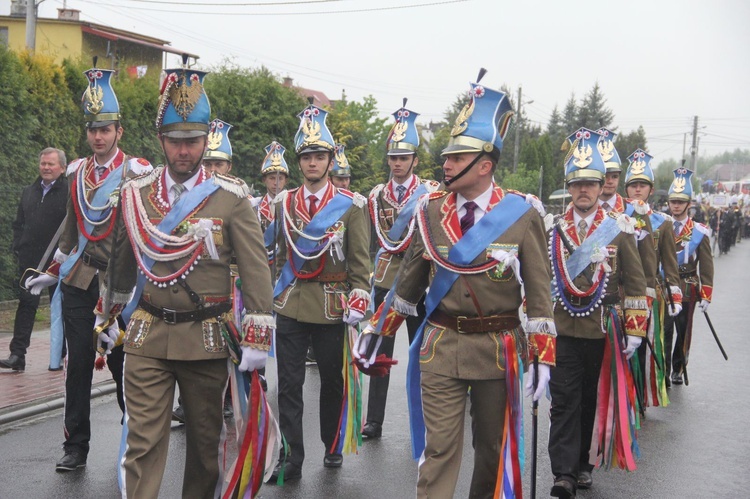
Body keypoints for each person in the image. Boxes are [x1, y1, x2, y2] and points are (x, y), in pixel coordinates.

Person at [356, 72, 556, 498]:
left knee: (489, 451)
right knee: (439, 451)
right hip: (440, 346)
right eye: (446, 155)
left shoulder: (522, 214)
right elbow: (408, 283)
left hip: (498, 350)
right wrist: (377, 330)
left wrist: (543, 356)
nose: (444, 164)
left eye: (456, 156)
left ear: (484, 164)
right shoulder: (429, 210)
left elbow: (539, 294)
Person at [100, 64, 274, 498]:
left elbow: (255, 270)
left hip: (206, 336)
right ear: (162, 141)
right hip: (147, 332)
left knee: (203, 444)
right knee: (142, 441)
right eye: (176, 142)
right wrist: (109, 319)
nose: (184, 151)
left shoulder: (232, 199)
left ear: (205, 141)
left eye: (192, 142)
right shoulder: (135, 193)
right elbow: (122, 266)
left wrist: (257, 336)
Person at [24, 66, 152, 472]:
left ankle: (134, 439)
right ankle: (76, 446)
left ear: (120, 131)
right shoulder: (76, 170)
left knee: (122, 365)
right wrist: (54, 269)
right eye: (93, 129)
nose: (99, 136)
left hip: (121, 286)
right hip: (80, 279)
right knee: (78, 364)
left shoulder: (137, 172)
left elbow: (144, 231)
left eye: (106, 129)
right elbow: (71, 230)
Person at [270, 103, 371, 482]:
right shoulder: (283, 203)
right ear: (299, 162)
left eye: (319, 156)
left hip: (332, 306)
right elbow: (276, 256)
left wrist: (361, 294)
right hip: (291, 303)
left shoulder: (351, 206)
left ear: (330, 161)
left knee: (332, 381)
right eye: (307, 156)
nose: (313, 162)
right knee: (290, 384)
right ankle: (291, 455)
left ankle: (331, 443)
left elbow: (360, 261)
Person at [547, 128, 648, 498]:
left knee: (592, 399)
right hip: (562, 329)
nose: (584, 190)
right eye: (577, 184)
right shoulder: (552, 229)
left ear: (601, 184)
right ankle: (562, 473)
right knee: (563, 401)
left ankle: (584, 465)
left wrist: (636, 328)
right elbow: (541, 281)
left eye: (591, 182)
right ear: (569, 188)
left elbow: (636, 282)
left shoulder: (618, 229)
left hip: (602, 329)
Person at [363, 99, 438, 439]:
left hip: (420, 284)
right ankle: (374, 420)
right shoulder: (375, 196)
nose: (397, 163)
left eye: (403, 157)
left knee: (423, 353)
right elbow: (370, 241)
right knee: (381, 352)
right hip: (385, 282)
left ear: (415, 160)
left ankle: (425, 420)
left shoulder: (430, 195)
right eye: (393, 157)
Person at [172, 118, 237, 424]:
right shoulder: (183, 194)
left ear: (229, 167)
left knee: (221, 345)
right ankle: (185, 401)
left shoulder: (236, 198)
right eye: (208, 161)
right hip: (184, 282)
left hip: (227, 286)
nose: (212, 168)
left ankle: (226, 396)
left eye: (219, 163)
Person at [1, 148, 68, 372]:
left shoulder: (69, 192)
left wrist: (65, 254)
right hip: (30, 260)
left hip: (58, 263)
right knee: (26, 305)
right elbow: (18, 223)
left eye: (51, 164)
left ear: (62, 168)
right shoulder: (28, 191)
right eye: (43, 164)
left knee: (59, 307)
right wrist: (18, 247)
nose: (46, 168)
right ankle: (17, 354)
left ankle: (61, 353)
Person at [624, 149, 683, 395]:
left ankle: (638, 397)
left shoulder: (663, 222)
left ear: (651, 189)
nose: (638, 189)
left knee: (641, 348)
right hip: (619, 293)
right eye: (633, 185)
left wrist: (675, 295)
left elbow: (670, 262)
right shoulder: (614, 217)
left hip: (648, 293)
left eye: (643, 185)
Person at [663, 167, 714, 386]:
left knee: (682, 331)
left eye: (680, 201)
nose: (676, 205)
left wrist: (707, 293)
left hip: (687, 285)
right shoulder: (661, 226)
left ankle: (678, 366)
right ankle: (662, 370)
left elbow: (707, 264)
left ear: (688, 204)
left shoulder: (699, 231)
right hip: (664, 284)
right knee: (664, 330)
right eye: (673, 201)